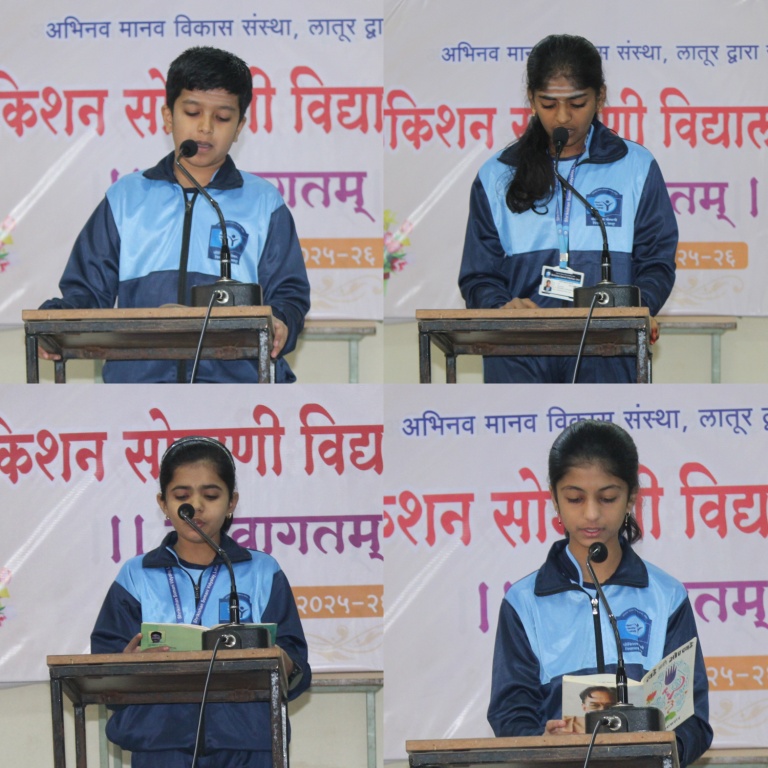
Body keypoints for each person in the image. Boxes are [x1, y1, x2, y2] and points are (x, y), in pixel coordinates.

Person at [40, 46, 310, 383]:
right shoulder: (126, 198)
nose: (206, 128)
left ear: (240, 126)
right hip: (140, 390)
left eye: (222, 118)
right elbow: (87, 293)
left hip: (238, 389)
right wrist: (58, 321)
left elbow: (288, 294)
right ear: (168, 116)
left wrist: (282, 321)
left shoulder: (263, 202)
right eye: (193, 112)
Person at [488, 420, 712, 767]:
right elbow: (510, 713)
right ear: (554, 498)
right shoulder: (524, 602)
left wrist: (661, 754)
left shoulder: (665, 596)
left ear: (631, 498)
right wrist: (544, 744)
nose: (591, 514)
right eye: (575, 498)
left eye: (607, 498)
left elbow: (692, 717)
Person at [459, 34, 676, 383]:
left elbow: (656, 262)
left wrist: (635, 311)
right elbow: (479, 274)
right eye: (548, 104)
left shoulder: (636, 167)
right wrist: (501, 307)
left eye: (577, 103)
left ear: (600, 97)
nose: (562, 117)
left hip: (608, 348)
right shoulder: (497, 175)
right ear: (531, 99)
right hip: (518, 351)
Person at [91, 436, 311, 767]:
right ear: (163, 503)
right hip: (159, 741)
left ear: (232, 501)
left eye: (210, 495)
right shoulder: (136, 576)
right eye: (182, 496)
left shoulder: (262, 571)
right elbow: (103, 669)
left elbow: (296, 666)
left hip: (248, 741)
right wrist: (129, 666)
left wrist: (283, 661)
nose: (196, 506)